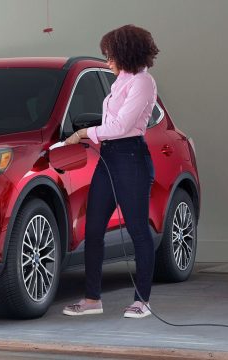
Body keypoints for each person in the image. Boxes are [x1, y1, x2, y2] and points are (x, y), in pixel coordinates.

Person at [62, 24, 159, 319]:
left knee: (138, 230)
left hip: (131, 157)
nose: (107, 61)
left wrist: (83, 134)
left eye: (110, 55)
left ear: (125, 53)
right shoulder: (120, 82)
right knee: (93, 230)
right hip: (109, 159)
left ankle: (142, 300)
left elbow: (120, 127)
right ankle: (93, 299)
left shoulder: (143, 83)